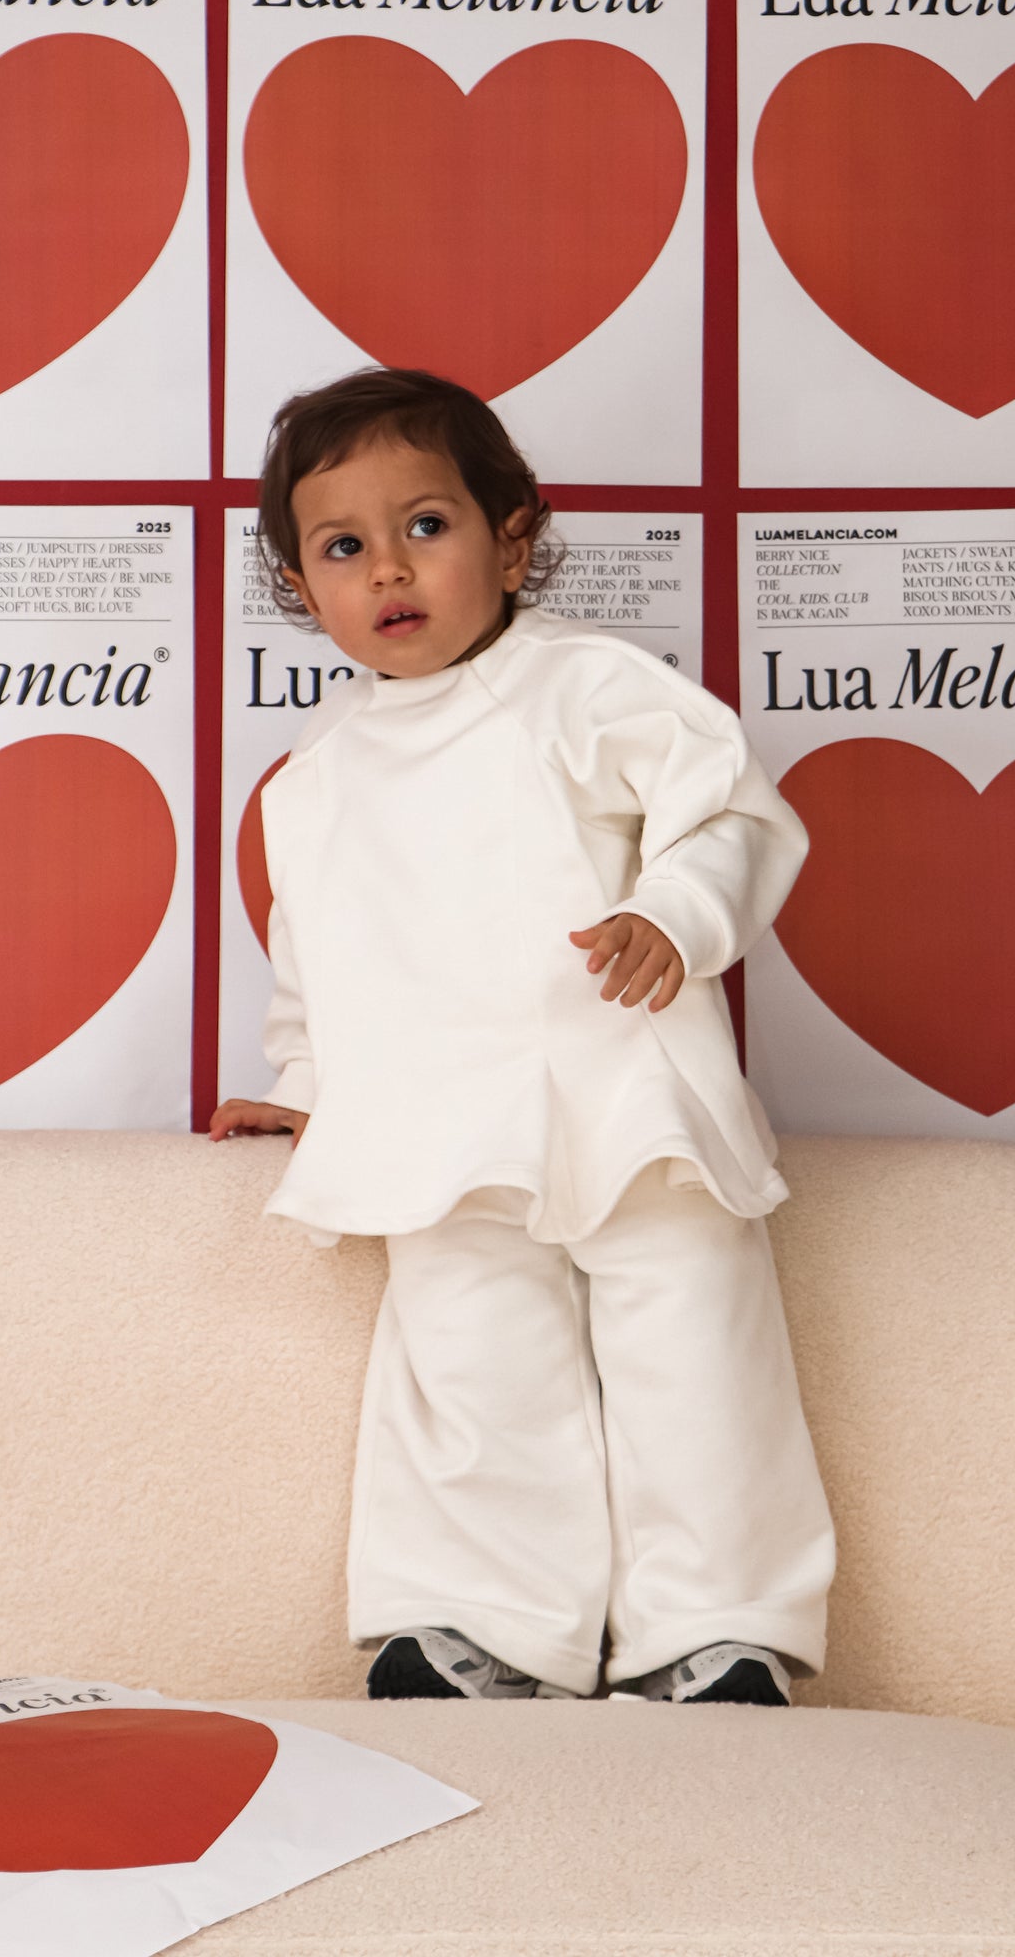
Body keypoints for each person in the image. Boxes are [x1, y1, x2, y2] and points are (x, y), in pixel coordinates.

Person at [212, 367, 835, 1706]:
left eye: (424, 525)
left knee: (691, 1351)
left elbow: (727, 810)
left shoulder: (582, 689)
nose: (388, 567)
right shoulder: (312, 783)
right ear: (298, 587)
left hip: (623, 1097)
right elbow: (319, 958)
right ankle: (476, 1625)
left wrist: (675, 909)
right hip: (443, 1129)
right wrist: (308, 1085)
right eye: (342, 546)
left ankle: (717, 1634)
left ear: (512, 537)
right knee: (468, 1361)